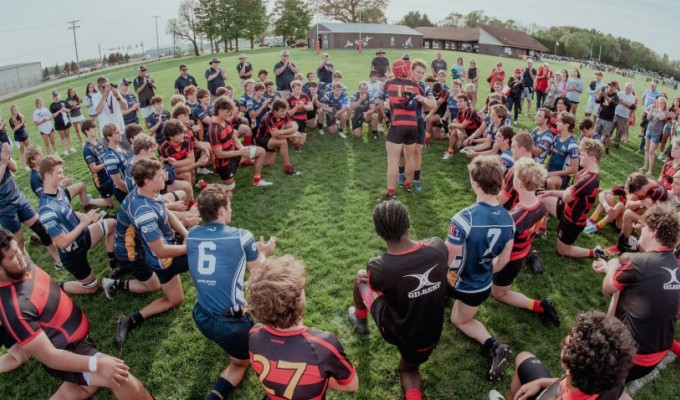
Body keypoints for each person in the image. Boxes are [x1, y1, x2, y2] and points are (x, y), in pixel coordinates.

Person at [0, 228, 153, 399]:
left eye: (18, 250)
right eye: (12, 256)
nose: (21, 256)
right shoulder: (13, 309)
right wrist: (98, 363)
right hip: (68, 351)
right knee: (119, 377)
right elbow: (50, 357)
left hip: (78, 340)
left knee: (86, 387)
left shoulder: (21, 265)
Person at [348, 200, 447, 400]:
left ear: (378, 232)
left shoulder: (379, 266)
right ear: (408, 223)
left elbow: (378, 288)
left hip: (397, 330)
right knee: (409, 368)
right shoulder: (438, 247)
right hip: (431, 333)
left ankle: (360, 321)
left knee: (361, 278)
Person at [186, 185, 275, 400]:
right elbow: (258, 276)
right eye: (230, 206)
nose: (231, 210)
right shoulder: (242, 236)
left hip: (200, 315)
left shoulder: (192, 235)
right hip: (230, 325)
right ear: (222, 211)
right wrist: (263, 253)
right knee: (240, 363)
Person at [248, 255, 359, 399]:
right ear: (299, 301)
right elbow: (352, 385)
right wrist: (322, 381)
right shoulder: (324, 345)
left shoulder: (254, 334)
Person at [446, 156, 515, 381]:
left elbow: (447, 260)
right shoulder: (509, 219)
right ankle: (495, 348)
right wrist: (484, 269)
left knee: (457, 320)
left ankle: (494, 345)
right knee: (459, 314)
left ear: (475, 183)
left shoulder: (463, 218)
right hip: (482, 283)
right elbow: (504, 261)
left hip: (458, 282)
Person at [595, 203, 680, 383]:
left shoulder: (642, 262)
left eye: (644, 227)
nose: (638, 228)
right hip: (658, 353)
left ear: (654, 232)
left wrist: (611, 268)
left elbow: (607, 287)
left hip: (632, 355)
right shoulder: (675, 264)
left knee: (591, 383)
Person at [113, 157, 189, 348]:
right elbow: (160, 250)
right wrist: (190, 247)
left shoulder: (147, 192)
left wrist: (185, 233)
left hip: (161, 255)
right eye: (159, 174)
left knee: (176, 299)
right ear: (147, 181)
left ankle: (129, 320)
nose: (165, 175)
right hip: (163, 259)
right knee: (207, 255)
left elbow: (166, 211)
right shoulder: (143, 211)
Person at [488, 311, 635, 400]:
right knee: (523, 359)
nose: (565, 340)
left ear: (570, 368)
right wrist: (541, 382)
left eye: (569, 343)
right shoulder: (609, 380)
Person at [490, 158, 560, 324]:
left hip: (510, 260)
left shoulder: (515, 217)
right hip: (523, 252)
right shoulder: (541, 206)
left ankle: (540, 306)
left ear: (520, 184)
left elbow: (498, 248)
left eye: (513, 177)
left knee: (499, 293)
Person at [38, 155, 117, 294]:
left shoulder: (60, 192)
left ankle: (114, 265)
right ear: (47, 176)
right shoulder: (46, 210)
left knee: (112, 224)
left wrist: (87, 217)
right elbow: (62, 243)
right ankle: (59, 286)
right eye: (59, 173)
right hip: (72, 254)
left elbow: (70, 213)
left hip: (82, 237)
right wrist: (83, 223)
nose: (62, 176)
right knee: (92, 288)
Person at [539, 138, 605, 259]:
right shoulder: (586, 172)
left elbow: (566, 198)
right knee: (542, 197)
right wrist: (549, 193)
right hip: (567, 210)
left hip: (572, 221)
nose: (580, 156)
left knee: (562, 251)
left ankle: (595, 252)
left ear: (592, 159)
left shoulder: (588, 180)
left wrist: (566, 191)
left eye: (583, 155)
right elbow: (568, 193)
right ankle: (541, 230)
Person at [0, 142, 62, 269]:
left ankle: (59, 261)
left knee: (41, 228)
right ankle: (31, 270)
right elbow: (5, 164)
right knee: (19, 242)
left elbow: (14, 167)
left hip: (18, 197)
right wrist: (4, 162)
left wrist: (7, 160)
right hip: (5, 208)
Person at [379, 59, 428, 199]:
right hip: (413, 125)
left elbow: (383, 98)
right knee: (410, 157)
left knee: (393, 159)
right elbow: (426, 103)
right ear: (407, 70)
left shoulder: (388, 83)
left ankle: (390, 192)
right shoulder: (416, 86)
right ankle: (408, 184)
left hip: (397, 124)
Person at [209, 97, 273, 188]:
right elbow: (219, 154)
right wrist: (239, 152)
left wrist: (242, 148)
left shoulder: (226, 121)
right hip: (224, 162)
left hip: (236, 153)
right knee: (229, 190)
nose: (230, 114)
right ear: (219, 111)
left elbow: (234, 138)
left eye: (230, 111)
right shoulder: (214, 130)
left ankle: (257, 180)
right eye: (227, 112)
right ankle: (206, 186)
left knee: (261, 151)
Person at [255, 98, 301, 175]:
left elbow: (291, 128)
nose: (284, 113)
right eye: (282, 111)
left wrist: (282, 131)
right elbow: (278, 137)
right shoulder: (268, 117)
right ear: (275, 111)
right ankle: (288, 168)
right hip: (261, 139)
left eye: (285, 110)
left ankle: (248, 160)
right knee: (283, 142)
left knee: (269, 162)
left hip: (272, 138)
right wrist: (293, 134)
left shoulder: (285, 114)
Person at [81, 120, 115, 208]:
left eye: (95, 127)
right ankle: (90, 200)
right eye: (92, 128)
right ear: (86, 131)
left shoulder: (99, 142)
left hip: (110, 174)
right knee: (110, 205)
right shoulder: (87, 149)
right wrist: (107, 162)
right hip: (101, 180)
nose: (95, 129)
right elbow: (94, 169)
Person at [641, 96, 669, 176]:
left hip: (656, 134)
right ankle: (645, 166)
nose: (659, 103)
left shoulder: (665, 112)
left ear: (664, 104)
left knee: (651, 151)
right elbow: (648, 117)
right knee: (646, 149)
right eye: (658, 102)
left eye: (661, 102)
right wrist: (652, 108)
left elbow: (661, 118)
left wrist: (659, 109)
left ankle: (650, 170)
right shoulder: (654, 109)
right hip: (649, 131)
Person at [103, 123, 130, 203]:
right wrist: (131, 192)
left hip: (129, 185)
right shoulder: (110, 157)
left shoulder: (120, 148)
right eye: (117, 133)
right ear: (109, 137)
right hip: (123, 191)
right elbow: (118, 183)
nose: (120, 134)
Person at [595, 81, 620, 152]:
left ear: (615, 87)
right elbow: (597, 101)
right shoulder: (605, 93)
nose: (610, 87)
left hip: (608, 119)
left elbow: (613, 104)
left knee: (606, 135)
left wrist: (606, 96)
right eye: (609, 86)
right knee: (597, 132)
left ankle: (606, 148)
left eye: (612, 86)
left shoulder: (616, 96)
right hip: (600, 116)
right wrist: (599, 94)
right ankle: (597, 145)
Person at [49, 90, 75, 156]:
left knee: (68, 135)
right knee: (62, 137)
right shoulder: (52, 105)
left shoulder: (63, 102)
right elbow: (53, 115)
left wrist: (65, 109)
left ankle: (71, 147)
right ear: (52, 97)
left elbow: (69, 110)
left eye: (57, 95)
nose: (56, 97)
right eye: (55, 96)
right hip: (59, 123)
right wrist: (60, 110)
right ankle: (65, 150)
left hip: (66, 121)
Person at [612, 82, 636, 149]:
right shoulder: (620, 93)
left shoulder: (633, 97)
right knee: (611, 127)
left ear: (631, 89)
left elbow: (630, 105)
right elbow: (615, 101)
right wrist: (625, 102)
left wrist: (621, 100)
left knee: (620, 131)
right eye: (626, 87)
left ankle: (616, 143)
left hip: (624, 116)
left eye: (629, 88)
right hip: (615, 113)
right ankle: (606, 140)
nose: (627, 89)